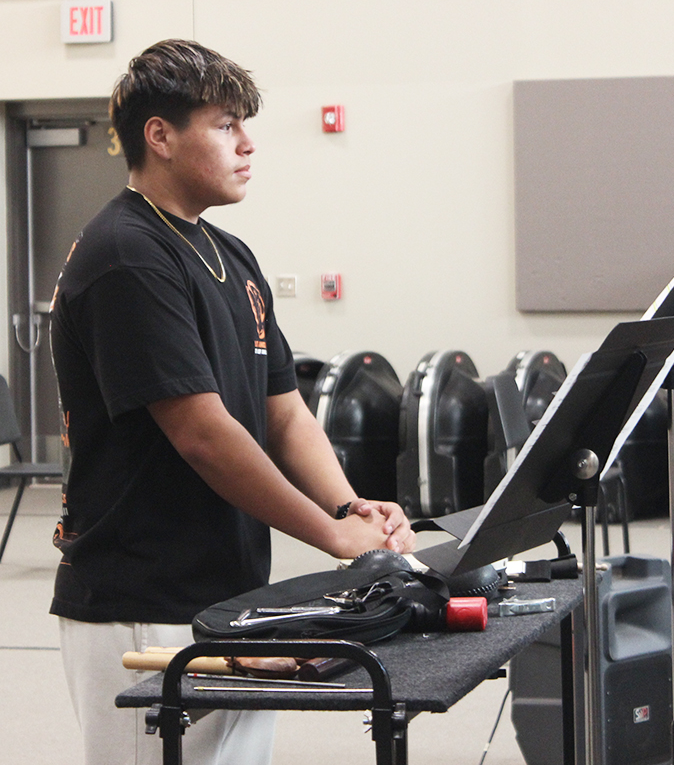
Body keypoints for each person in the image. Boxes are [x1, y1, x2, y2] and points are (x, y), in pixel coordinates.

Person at [48, 38, 415, 765]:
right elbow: (203, 435)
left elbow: (284, 410)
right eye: (225, 124)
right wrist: (330, 538)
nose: (249, 144)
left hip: (229, 598)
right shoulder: (127, 254)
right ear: (160, 135)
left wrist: (349, 509)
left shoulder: (230, 254)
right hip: (141, 604)